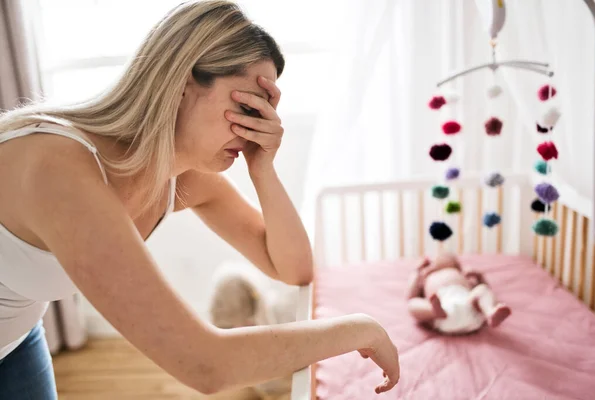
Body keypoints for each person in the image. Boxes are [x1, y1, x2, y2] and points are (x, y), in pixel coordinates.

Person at [0, 1, 399, 398]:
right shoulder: (60, 168)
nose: (254, 128)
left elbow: (292, 268)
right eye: (246, 106)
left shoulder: (179, 177)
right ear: (182, 83)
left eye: (262, 114)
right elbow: (204, 364)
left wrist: (263, 168)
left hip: (16, 338)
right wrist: (358, 330)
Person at [407, 252, 512, 335]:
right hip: (442, 312)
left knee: (482, 289)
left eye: (440, 257)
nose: (434, 260)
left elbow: (488, 290)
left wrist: (480, 278)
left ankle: (490, 312)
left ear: (455, 264)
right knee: (412, 304)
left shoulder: (462, 274)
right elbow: (410, 295)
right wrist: (416, 272)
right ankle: (433, 311)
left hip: (469, 305)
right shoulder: (424, 277)